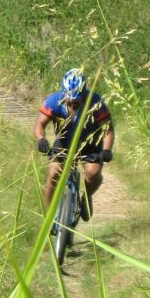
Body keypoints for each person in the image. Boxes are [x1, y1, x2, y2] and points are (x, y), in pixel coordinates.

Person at [34, 68, 114, 218]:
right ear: (64, 94)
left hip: (90, 144)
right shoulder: (54, 101)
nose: (73, 104)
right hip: (64, 143)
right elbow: (40, 125)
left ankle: (86, 197)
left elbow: (107, 129)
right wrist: (41, 139)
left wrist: (107, 150)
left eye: (77, 101)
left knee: (93, 173)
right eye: (70, 101)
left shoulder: (96, 102)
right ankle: (49, 216)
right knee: (53, 174)